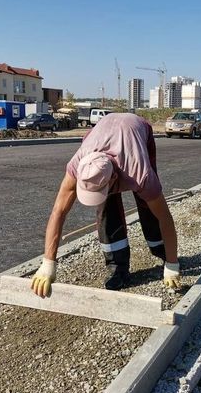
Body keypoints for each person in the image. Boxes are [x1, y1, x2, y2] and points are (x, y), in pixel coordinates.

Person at [31, 113, 181, 297]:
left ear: (115, 178)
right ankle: (117, 267)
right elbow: (58, 212)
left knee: (147, 203)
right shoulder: (78, 165)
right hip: (99, 132)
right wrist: (48, 263)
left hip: (136, 131)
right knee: (105, 208)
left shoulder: (140, 173)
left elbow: (164, 217)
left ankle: (163, 251)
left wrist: (172, 264)